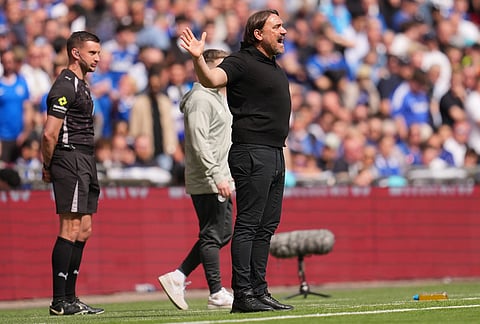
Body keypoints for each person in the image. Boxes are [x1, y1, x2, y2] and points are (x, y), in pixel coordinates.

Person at [180, 9, 294, 313]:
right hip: (252, 151)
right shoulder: (241, 60)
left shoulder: (271, 64)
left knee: (267, 225)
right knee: (249, 225)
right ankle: (243, 294)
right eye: (277, 27)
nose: (284, 32)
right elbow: (211, 77)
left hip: (274, 151)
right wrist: (198, 58)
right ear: (258, 33)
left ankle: (259, 290)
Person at [158, 49, 234, 311]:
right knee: (214, 233)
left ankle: (178, 276)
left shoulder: (214, 97)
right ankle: (215, 292)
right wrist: (216, 174)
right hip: (209, 176)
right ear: (207, 68)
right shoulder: (201, 99)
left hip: (217, 174)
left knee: (220, 232)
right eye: (223, 67)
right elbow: (200, 142)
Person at [41, 31, 104, 316]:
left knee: (85, 229)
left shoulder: (83, 85)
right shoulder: (64, 85)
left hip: (86, 159)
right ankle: (59, 301)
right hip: (70, 158)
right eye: (93, 53)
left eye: (99, 53)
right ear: (76, 53)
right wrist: (48, 165)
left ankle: (71, 297)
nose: (98, 58)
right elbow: (48, 133)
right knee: (69, 228)